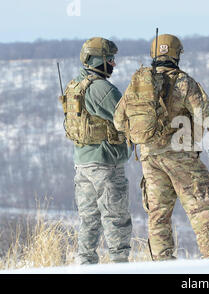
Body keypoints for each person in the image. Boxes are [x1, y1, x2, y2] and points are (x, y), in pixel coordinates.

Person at [114, 34, 209, 260]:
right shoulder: (183, 82)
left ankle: (162, 264)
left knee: (158, 214)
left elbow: (118, 121)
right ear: (176, 54)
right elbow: (206, 117)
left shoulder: (137, 85)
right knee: (202, 206)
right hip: (180, 156)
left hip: (149, 158)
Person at [60, 37, 132, 264]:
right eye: (110, 59)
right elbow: (127, 119)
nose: (113, 64)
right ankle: (120, 264)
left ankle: (85, 263)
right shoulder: (102, 88)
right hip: (105, 162)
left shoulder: (75, 85)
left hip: (82, 163)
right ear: (97, 59)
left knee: (89, 218)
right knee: (116, 215)